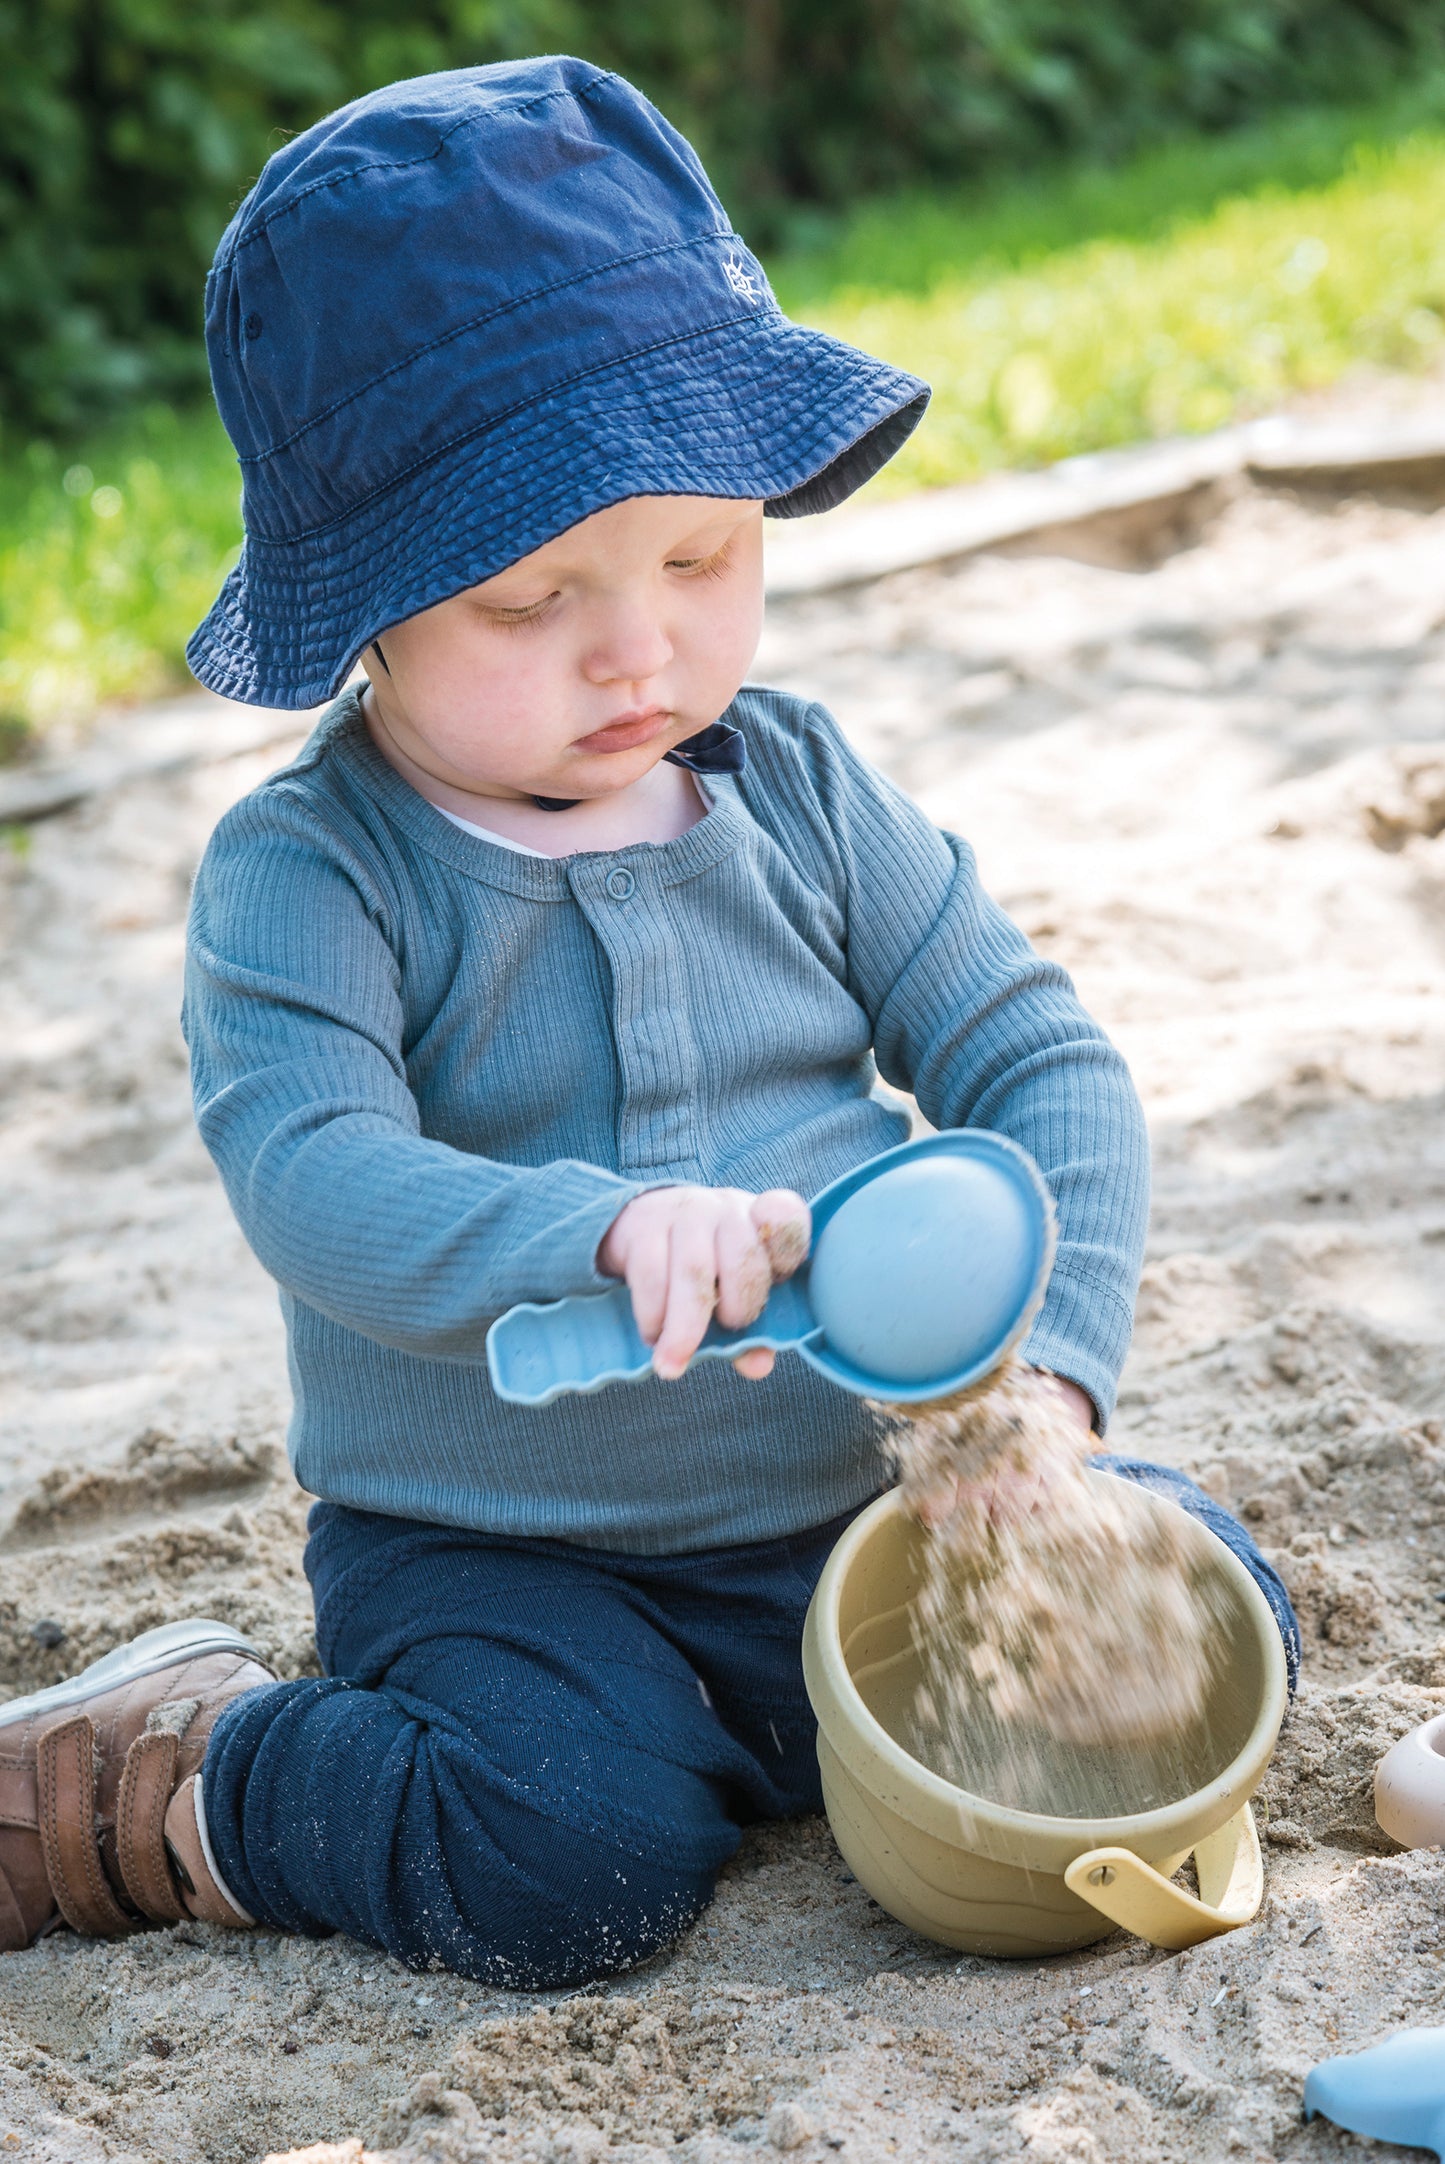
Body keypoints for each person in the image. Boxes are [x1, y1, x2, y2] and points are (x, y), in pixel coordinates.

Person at [0, 58, 1299, 1982]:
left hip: (864, 1483)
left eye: (702, 557)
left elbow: (1040, 1061)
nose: (640, 650)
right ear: (366, 605)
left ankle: (810, 1700)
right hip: (509, 1556)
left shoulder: (792, 787)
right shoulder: (315, 871)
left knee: (1206, 1606)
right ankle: (198, 1779)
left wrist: (1061, 1388)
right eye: (533, 599)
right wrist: (596, 1225)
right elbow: (311, 1174)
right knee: (567, 1864)